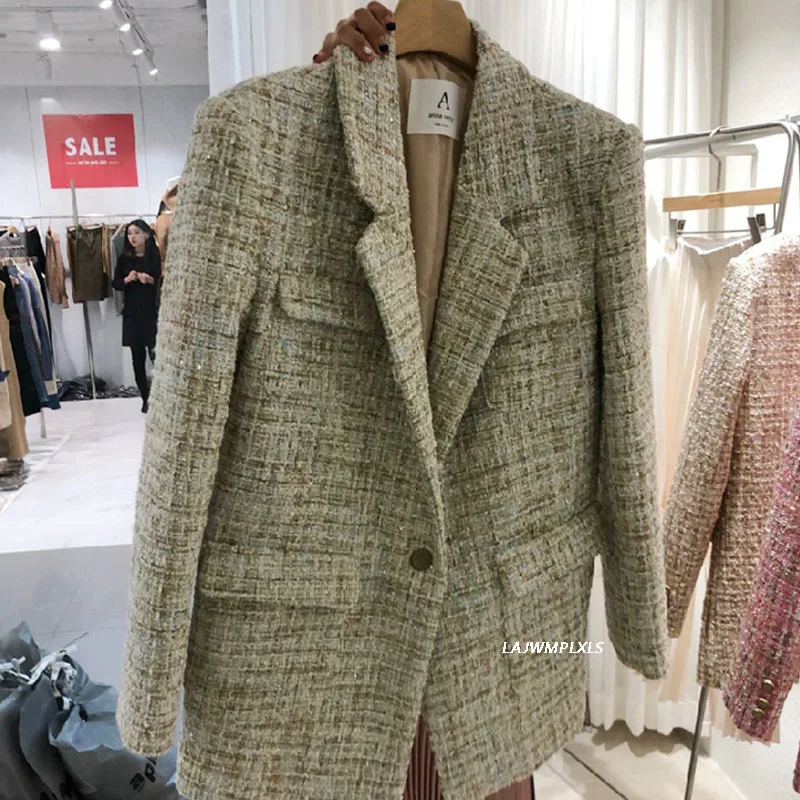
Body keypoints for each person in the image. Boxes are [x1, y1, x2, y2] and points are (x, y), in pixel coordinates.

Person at [112, 219, 161, 413]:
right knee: (137, 358)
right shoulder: (124, 258)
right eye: (130, 233)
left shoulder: (155, 255)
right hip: (132, 314)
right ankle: (145, 398)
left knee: (156, 355)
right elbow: (116, 283)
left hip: (151, 312)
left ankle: (159, 396)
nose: (132, 237)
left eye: (136, 233)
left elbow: (162, 281)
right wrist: (127, 279)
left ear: (146, 234)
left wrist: (149, 280)